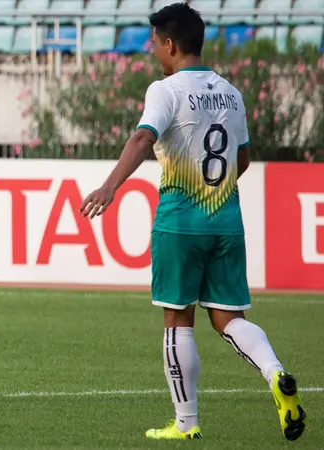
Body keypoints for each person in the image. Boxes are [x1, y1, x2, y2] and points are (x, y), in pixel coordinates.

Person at [79, 3, 305, 441]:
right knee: (228, 318)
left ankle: (186, 424)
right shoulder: (231, 93)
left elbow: (143, 136)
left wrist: (110, 186)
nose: (153, 53)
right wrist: (212, 187)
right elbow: (243, 158)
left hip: (179, 222)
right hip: (226, 220)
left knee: (177, 319)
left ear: (170, 44)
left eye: (154, 45)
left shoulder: (165, 90)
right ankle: (276, 373)